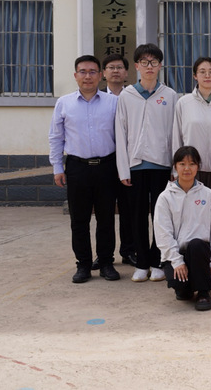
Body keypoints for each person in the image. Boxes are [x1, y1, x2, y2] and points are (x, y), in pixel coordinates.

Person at [49, 55, 120, 283]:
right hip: (77, 167)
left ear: (100, 75)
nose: (87, 76)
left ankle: (106, 263)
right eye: (83, 71)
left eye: (92, 72)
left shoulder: (113, 102)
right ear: (75, 75)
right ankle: (83, 265)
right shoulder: (64, 103)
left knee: (106, 218)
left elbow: (122, 136)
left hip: (107, 166)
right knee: (79, 220)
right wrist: (57, 167)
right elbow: (56, 137)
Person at [115, 43, 179, 283]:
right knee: (137, 216)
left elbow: (175, 133)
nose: (149, 66)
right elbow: (120, 133)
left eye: (153, 62)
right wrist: (123, 169)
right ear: (137, 66)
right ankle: (141, 263)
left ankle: (158, 261)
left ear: (160, 66)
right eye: (144, 62)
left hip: (162, 165)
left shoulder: (169, 95)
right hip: (136, 166)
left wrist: (174, 167)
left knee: (161, 217)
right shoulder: (127, 95)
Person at [153, 146, 211, 312]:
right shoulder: (165, 197)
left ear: (198, 167)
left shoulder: (207, 194)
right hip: (177, 254)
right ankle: (186, 287)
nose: (187, 168)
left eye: (192, 164)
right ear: (175, 167)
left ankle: (204, 292)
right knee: (182, 290)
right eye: (182, 164)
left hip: (199, 252)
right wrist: (177, 261)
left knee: (197, 245)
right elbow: (163, 234)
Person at [87, 54, 135, 271]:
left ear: (126, 72)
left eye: (119, 67)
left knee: (129, 210)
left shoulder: (133, 97)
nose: (115, 71)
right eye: (111, 67)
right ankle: (104, 255)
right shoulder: (95, 98)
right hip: (105, 163)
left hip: (129, 162)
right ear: (103, 73)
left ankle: (129, 251)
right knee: (104, 212)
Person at [172, 57, 211, 195]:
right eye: (202, 72)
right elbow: (177, 137)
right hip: (191, 170)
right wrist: (176, 169)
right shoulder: (184, 103)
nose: (207, 75)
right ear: (195, 76)